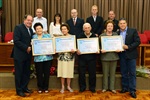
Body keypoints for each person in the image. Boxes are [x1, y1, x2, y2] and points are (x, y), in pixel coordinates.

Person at [117, 18, 140, 98]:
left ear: (126, 24)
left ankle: (132, 90)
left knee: (132, 73)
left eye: (124, 23)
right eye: (121, 23)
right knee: (123, 72)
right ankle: (125, 88)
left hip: (131, 55)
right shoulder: (117, 32)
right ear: (118, 25)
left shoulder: (133, 30)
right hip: (122, 55)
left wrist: (128, 47)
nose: (122, 25)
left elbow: (137, 42)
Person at [13, 14, 34, 97]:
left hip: (27, 56)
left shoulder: (31, 30)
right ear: (24, 20)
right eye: (28, 20)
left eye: (31, 21)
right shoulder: (18, 27)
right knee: (19, 73)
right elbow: (16, 41)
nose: (30, 22)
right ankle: (19, 90)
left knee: (26, 72)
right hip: (19, 55)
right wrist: (26, 47)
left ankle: (24, 87)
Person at [99, 20, 120, 94]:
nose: (110, 27)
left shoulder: (116, 35)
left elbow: (119, 46)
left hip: (114, 56)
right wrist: (101, 50)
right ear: (106, 27)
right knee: (105, 73)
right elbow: (98, 47)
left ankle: (112, 88)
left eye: (111, 26)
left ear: (113, 27)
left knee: (112, 73)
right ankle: (105, 87)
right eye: (108, 26)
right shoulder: (102, 36)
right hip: (105, 57)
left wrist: (119, 49)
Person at [32, 23, 53, 93]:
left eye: (40, 28)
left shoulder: (48, 36)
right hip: (38, 59)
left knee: (47, 73)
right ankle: (40, 87)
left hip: (47, 58)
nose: (39, 30)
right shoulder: (33, 37)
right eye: (37, 29)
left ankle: (46, 87)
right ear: (35, 30)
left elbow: (52, 45)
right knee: (39, 73)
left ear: (42, 28)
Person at [77, 23, 97, 93]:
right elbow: (77, 46)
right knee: (81, 74)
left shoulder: (94, 36)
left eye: (88, 27)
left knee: (92, 73)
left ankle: (92, 88)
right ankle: (82, 87)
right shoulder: (79, 36)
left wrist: (97, 50)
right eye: (85, 28)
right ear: (83, 29)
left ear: (90, 28)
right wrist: (77, 50)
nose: (87, 29)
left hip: (92, 58)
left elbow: (97, 46)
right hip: (82, 58)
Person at [57, 23, 75, 93]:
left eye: (65, 29)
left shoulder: (72, 37)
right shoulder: (59, 38)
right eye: (62, 29)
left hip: (70, 57)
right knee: (62, 71)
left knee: (69, 72)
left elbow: (74, 48)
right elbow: (56, 48)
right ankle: (62, 87)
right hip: (61, 57)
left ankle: (68, 86)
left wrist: (73, 50)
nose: (63, 30)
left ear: (68, 29)